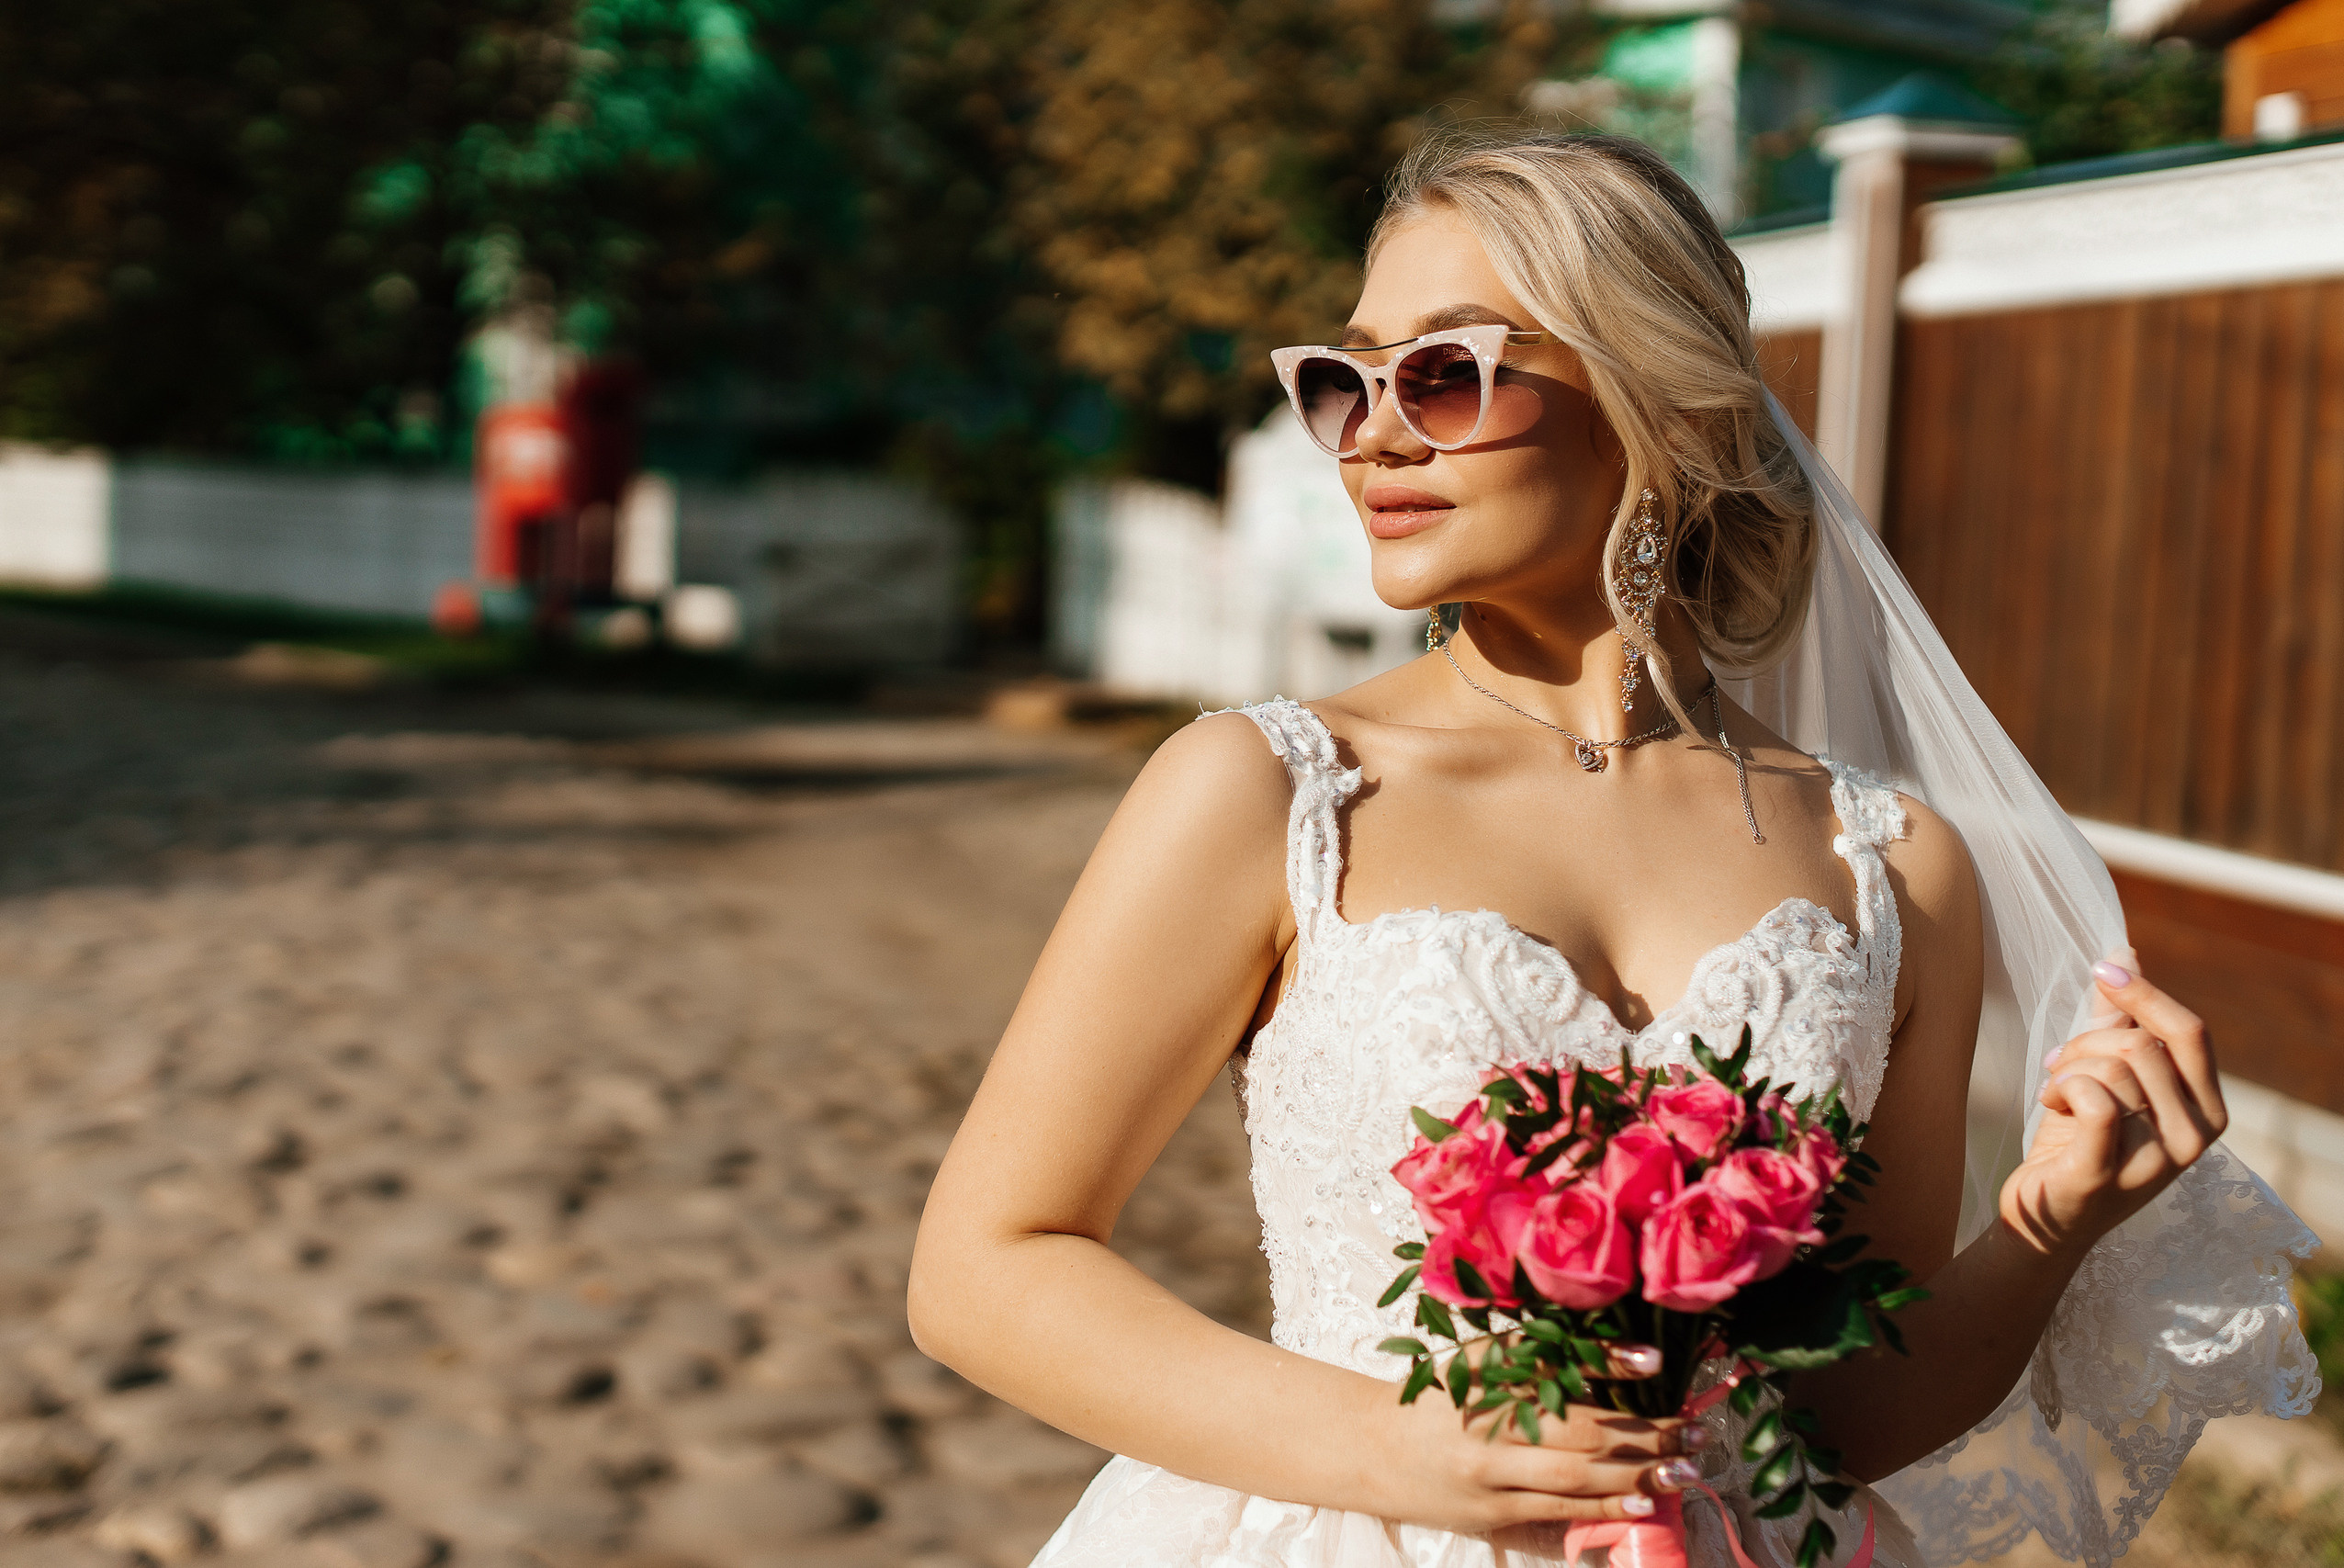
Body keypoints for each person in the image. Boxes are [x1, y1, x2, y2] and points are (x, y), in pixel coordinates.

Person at [907, 132, 2316, 1568]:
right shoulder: (1269, 793)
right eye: (1344, 380)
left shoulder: (1891, 871)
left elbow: (1843, 1423)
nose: (1374, 434)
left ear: (1648, 395)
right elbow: (984, 1268)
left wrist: (2049, 1221)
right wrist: (1404, 1450)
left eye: (1445, 374)